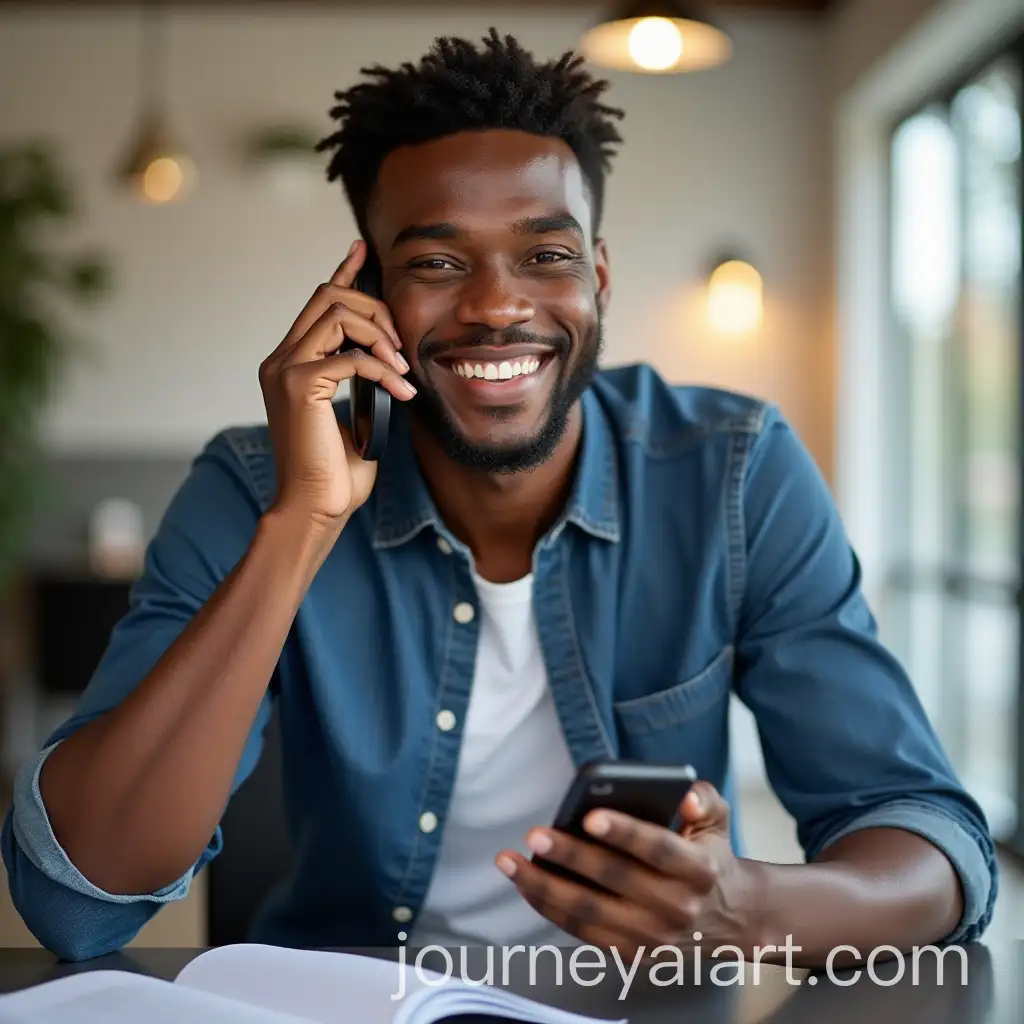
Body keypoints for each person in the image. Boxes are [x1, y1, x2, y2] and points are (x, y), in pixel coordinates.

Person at [2, 30, 996, 965]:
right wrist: (302, 525)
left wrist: (744, 907)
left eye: (546, 255)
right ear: (367, 297)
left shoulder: (734, 472)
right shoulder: (253, 487)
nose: (495, 305)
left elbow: (932, 846)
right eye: (435, 262)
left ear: (598, 279)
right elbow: (79, 896)